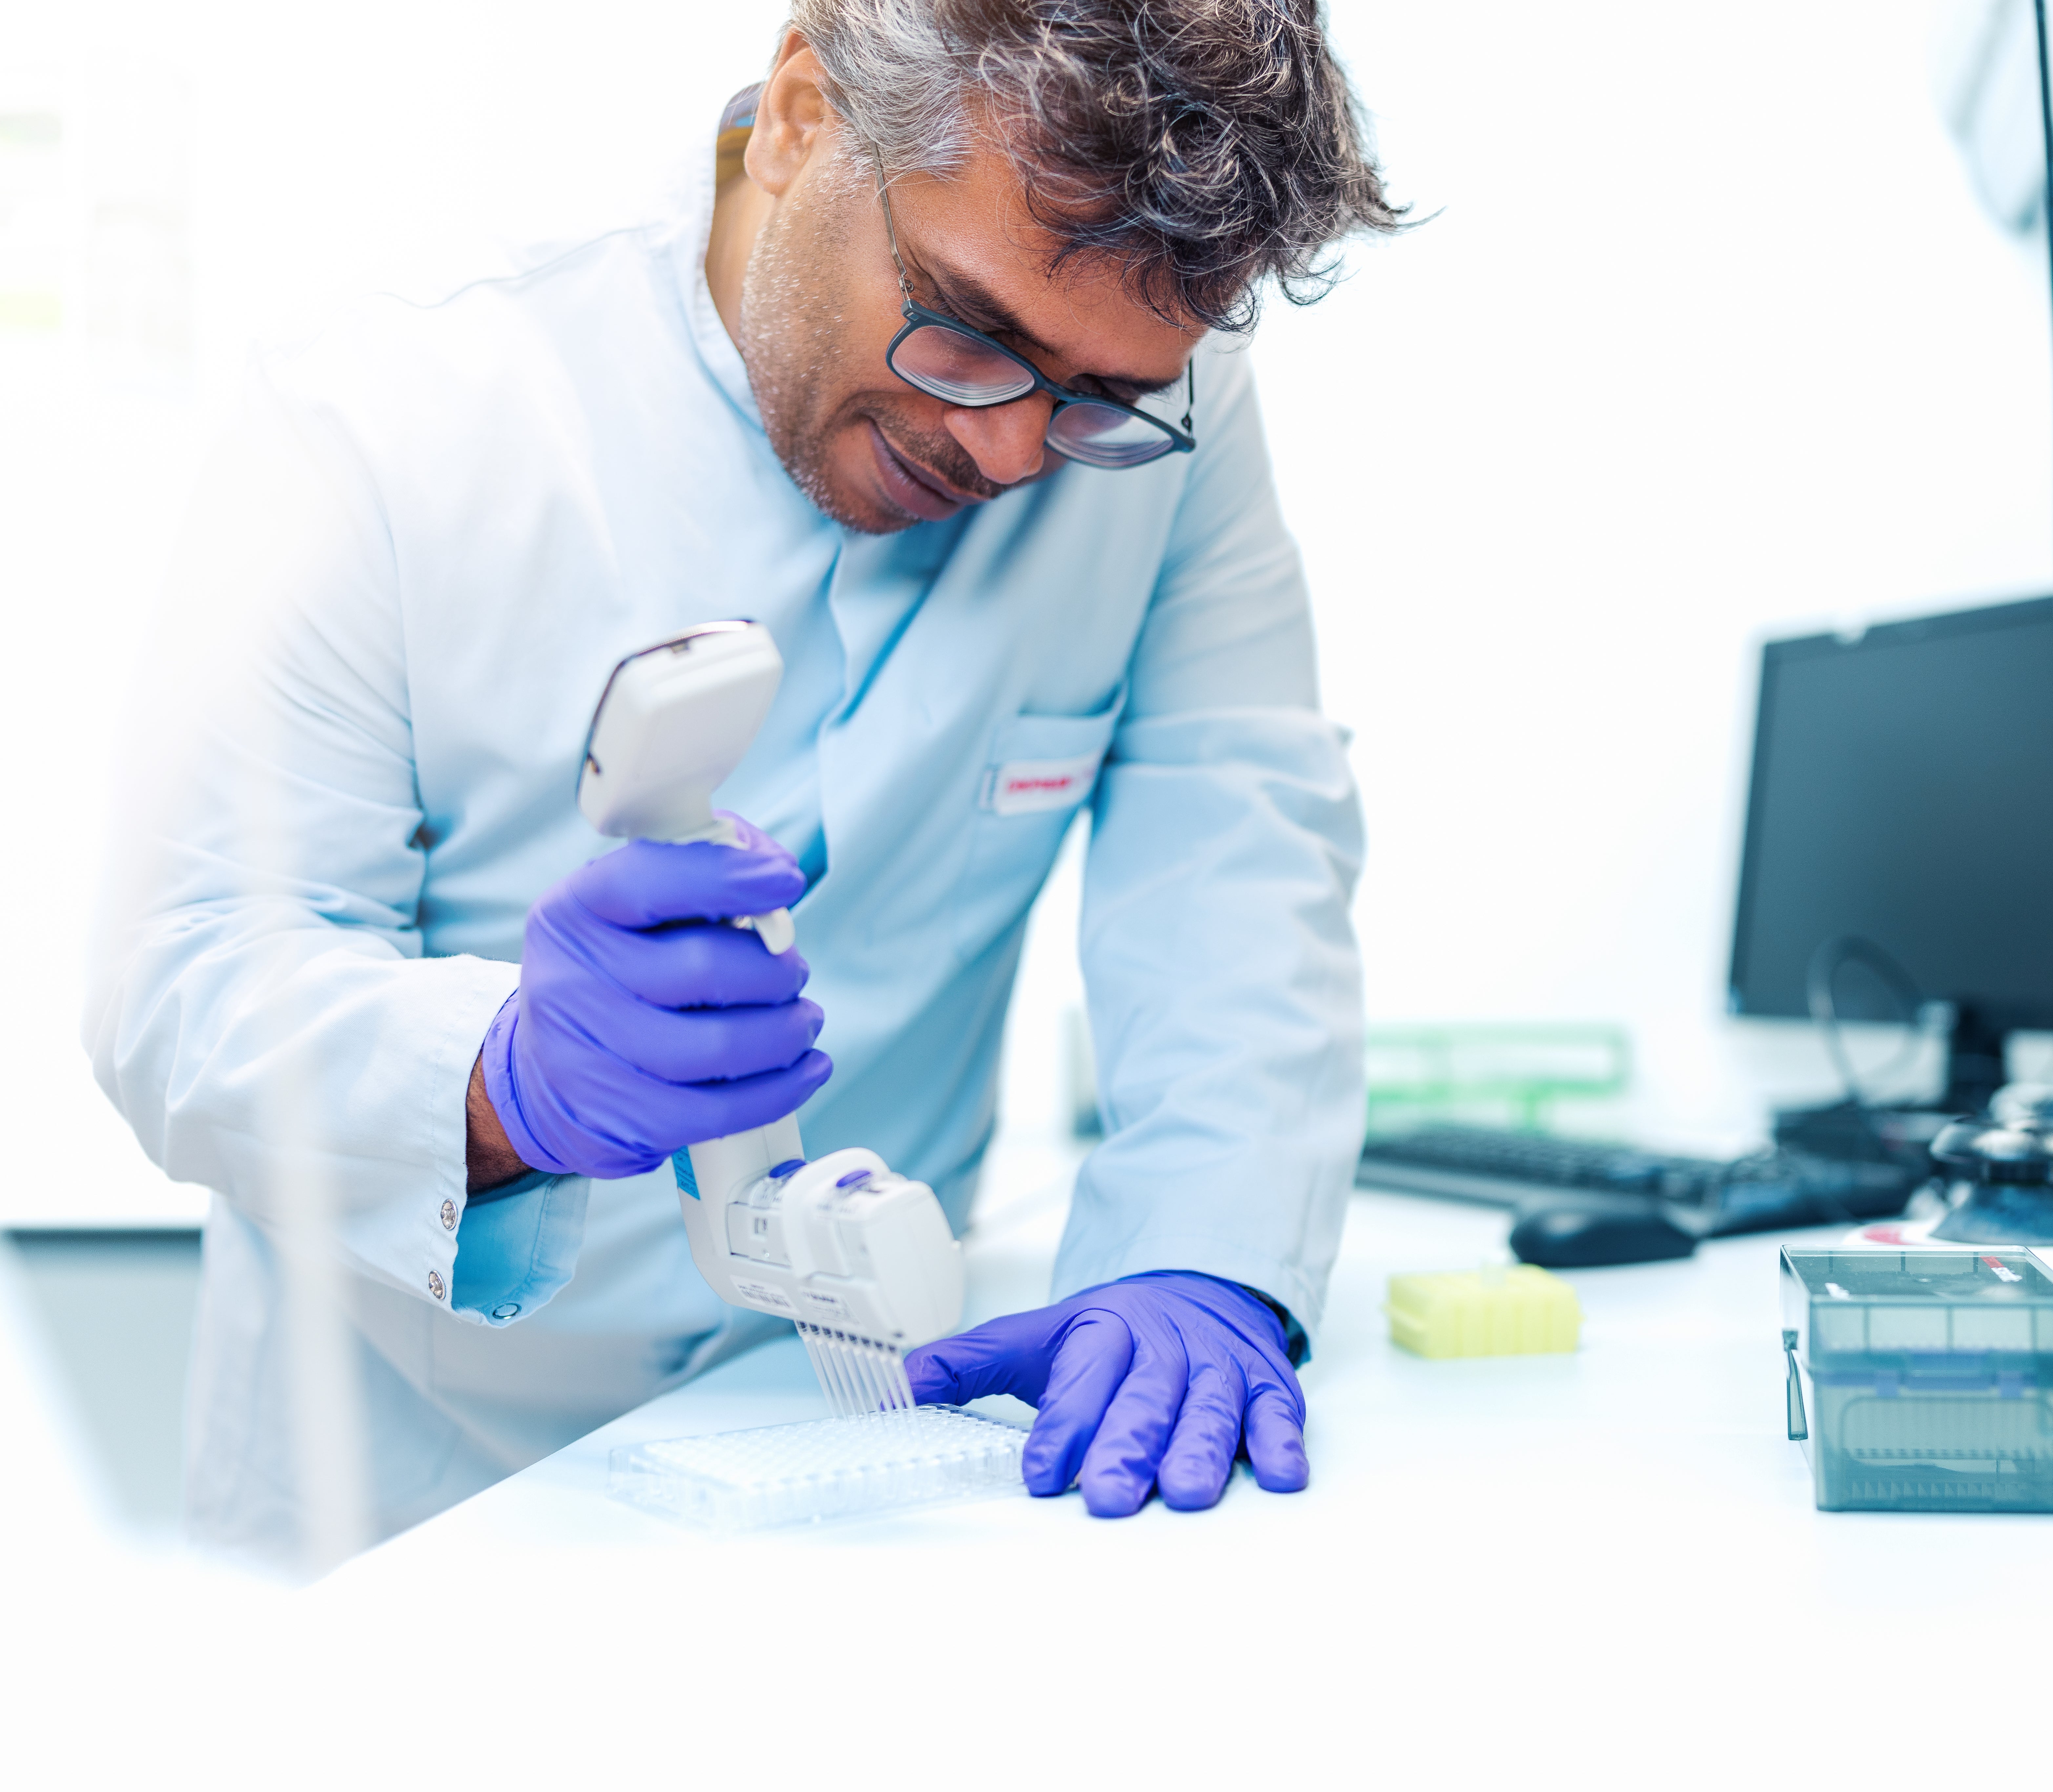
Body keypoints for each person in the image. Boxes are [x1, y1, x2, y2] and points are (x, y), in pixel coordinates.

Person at [84, 0, 1399, 1572]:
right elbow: (185, 980)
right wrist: (503, 1082)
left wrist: (1205, 1260)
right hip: (416, 1504)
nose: (1009, 452)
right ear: (797, 113)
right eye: (966, 329)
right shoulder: (393, 408)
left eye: (1091, 402)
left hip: (871, 1466)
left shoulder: (1157, 421)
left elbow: (1233, 837)